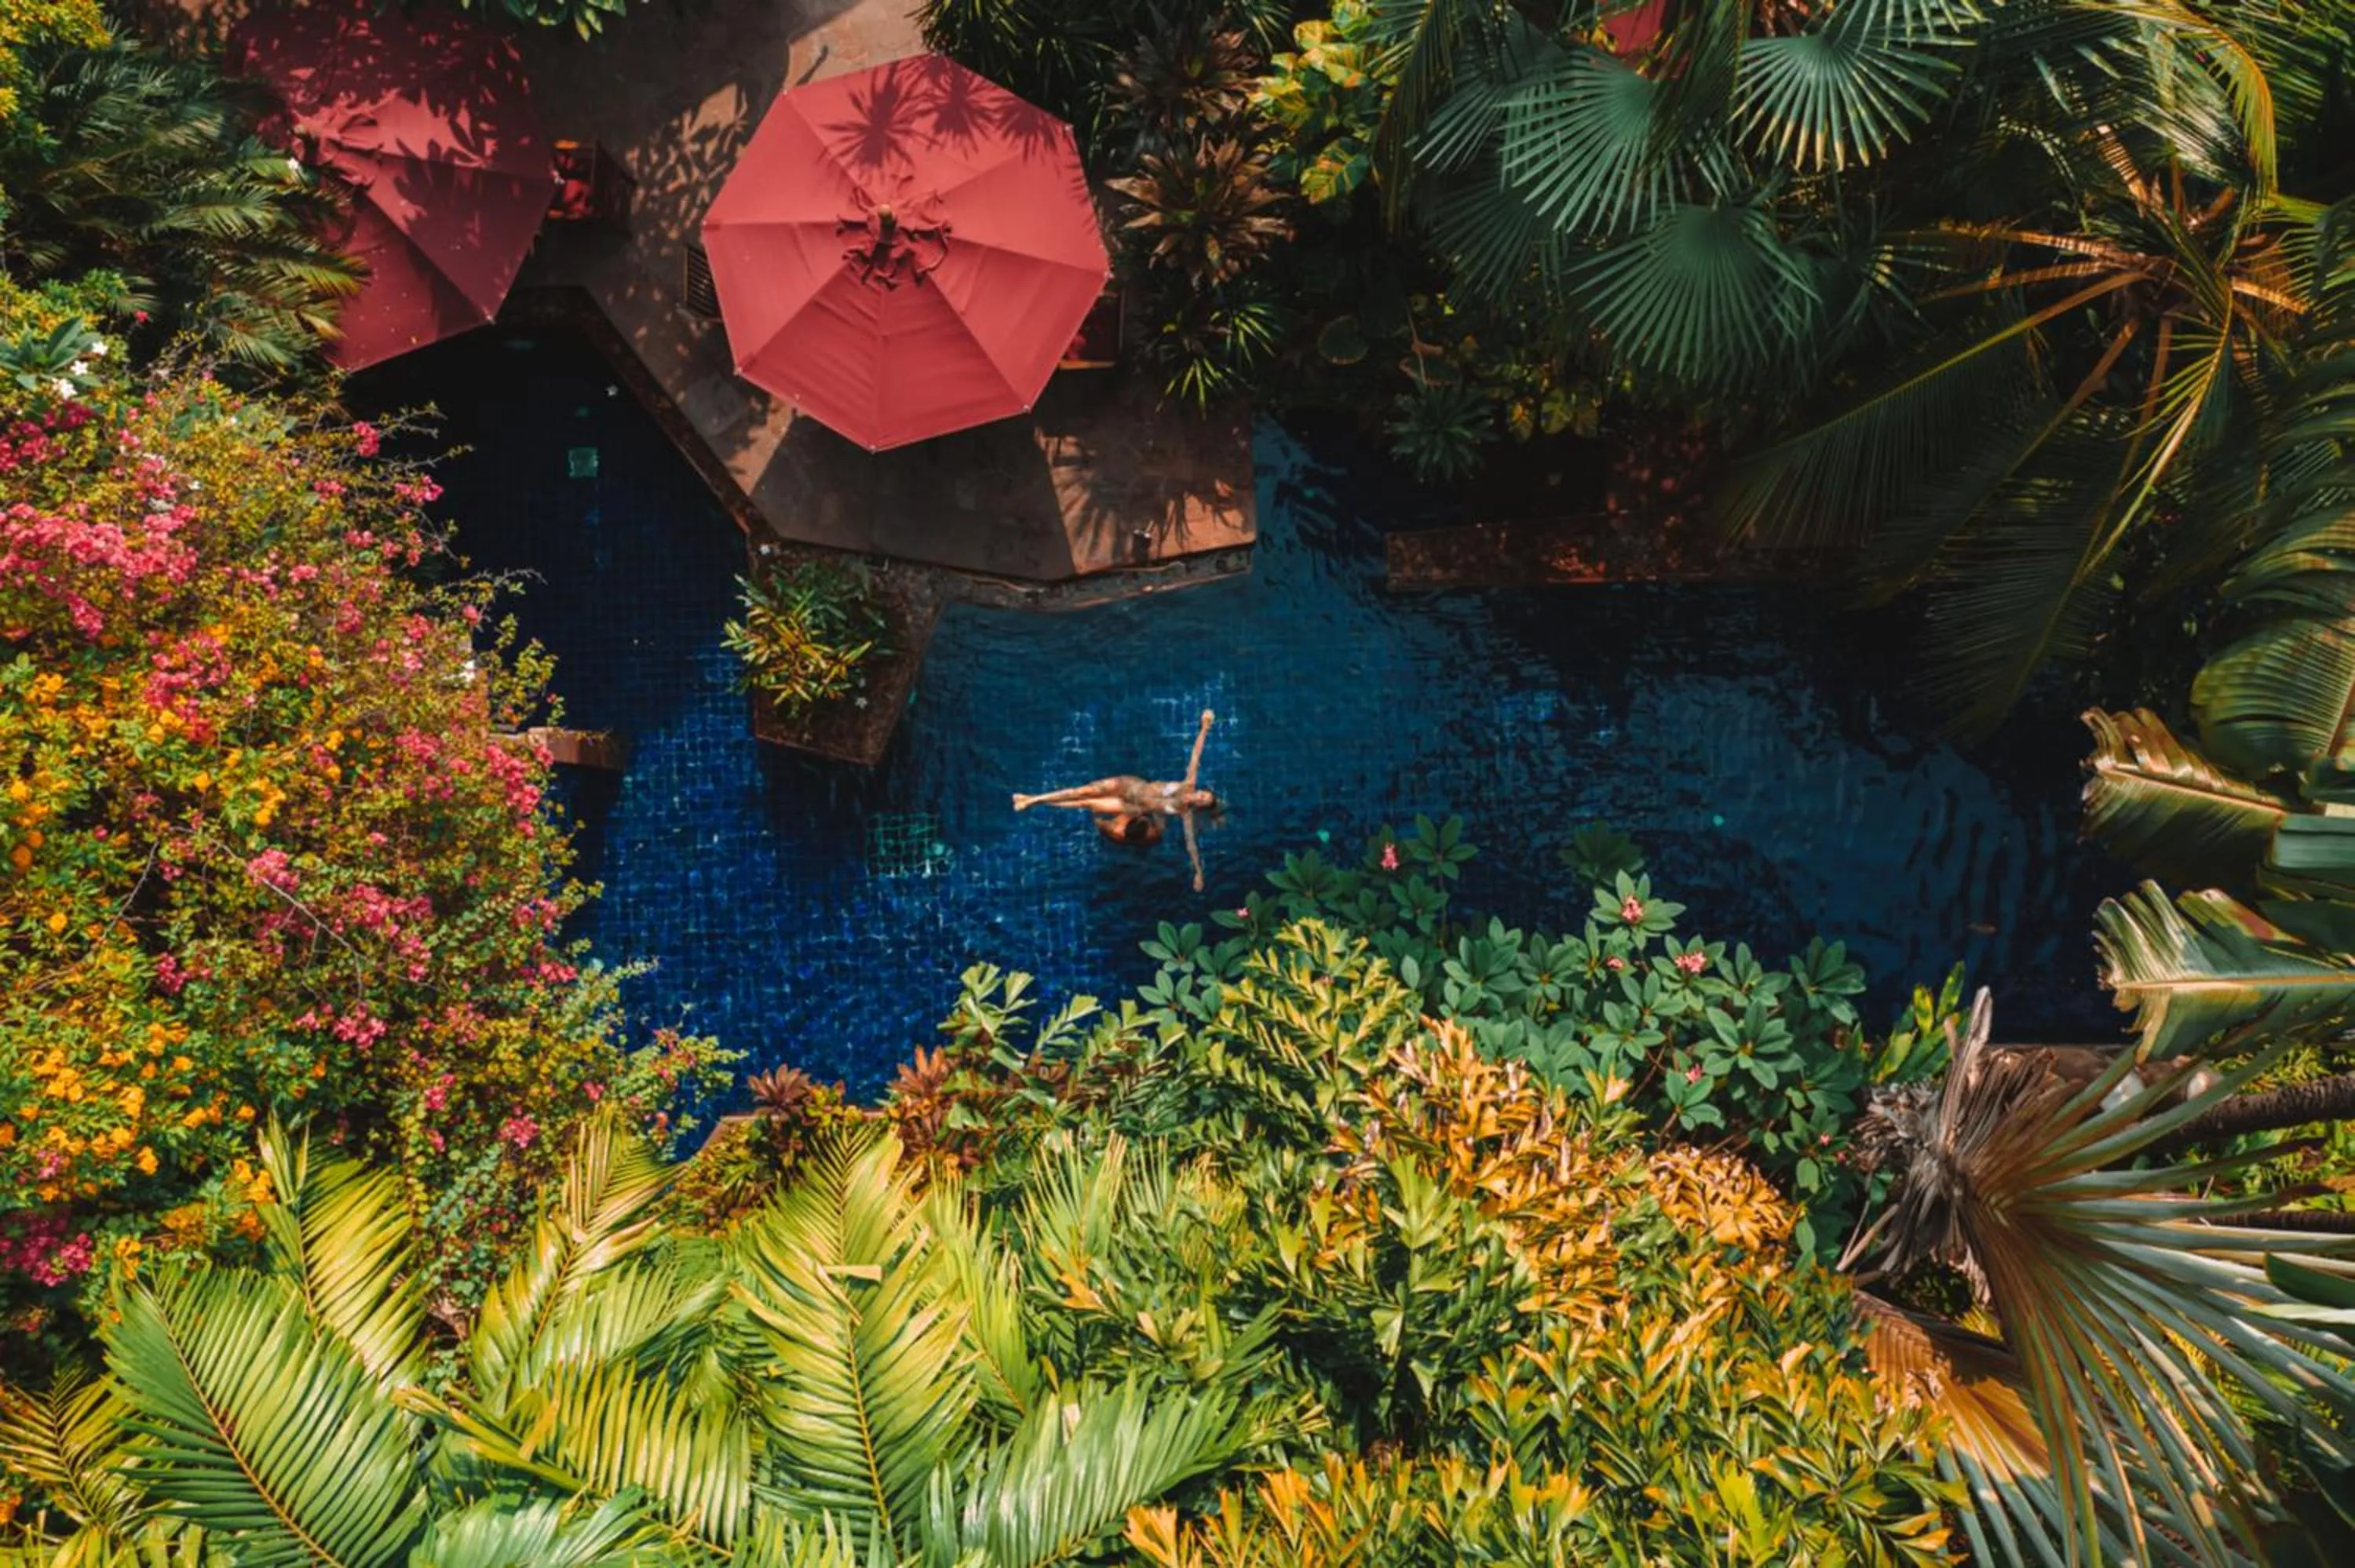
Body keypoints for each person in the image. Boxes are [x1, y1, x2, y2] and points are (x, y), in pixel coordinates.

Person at [1014, 709, 1218, 889]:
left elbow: (1191, 845)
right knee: (1081, 791)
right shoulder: (1189, 783)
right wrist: (1205, 727)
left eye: (1203, 801)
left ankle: (1033, 802)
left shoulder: (1184, 814)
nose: (1201, 797)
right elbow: (1196, 755)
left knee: (1085, 803)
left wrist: (1198, 873)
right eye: (1204, 794)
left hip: (1130, 806)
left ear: (1199, 807)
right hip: (1128, 785)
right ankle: (1031, 799)